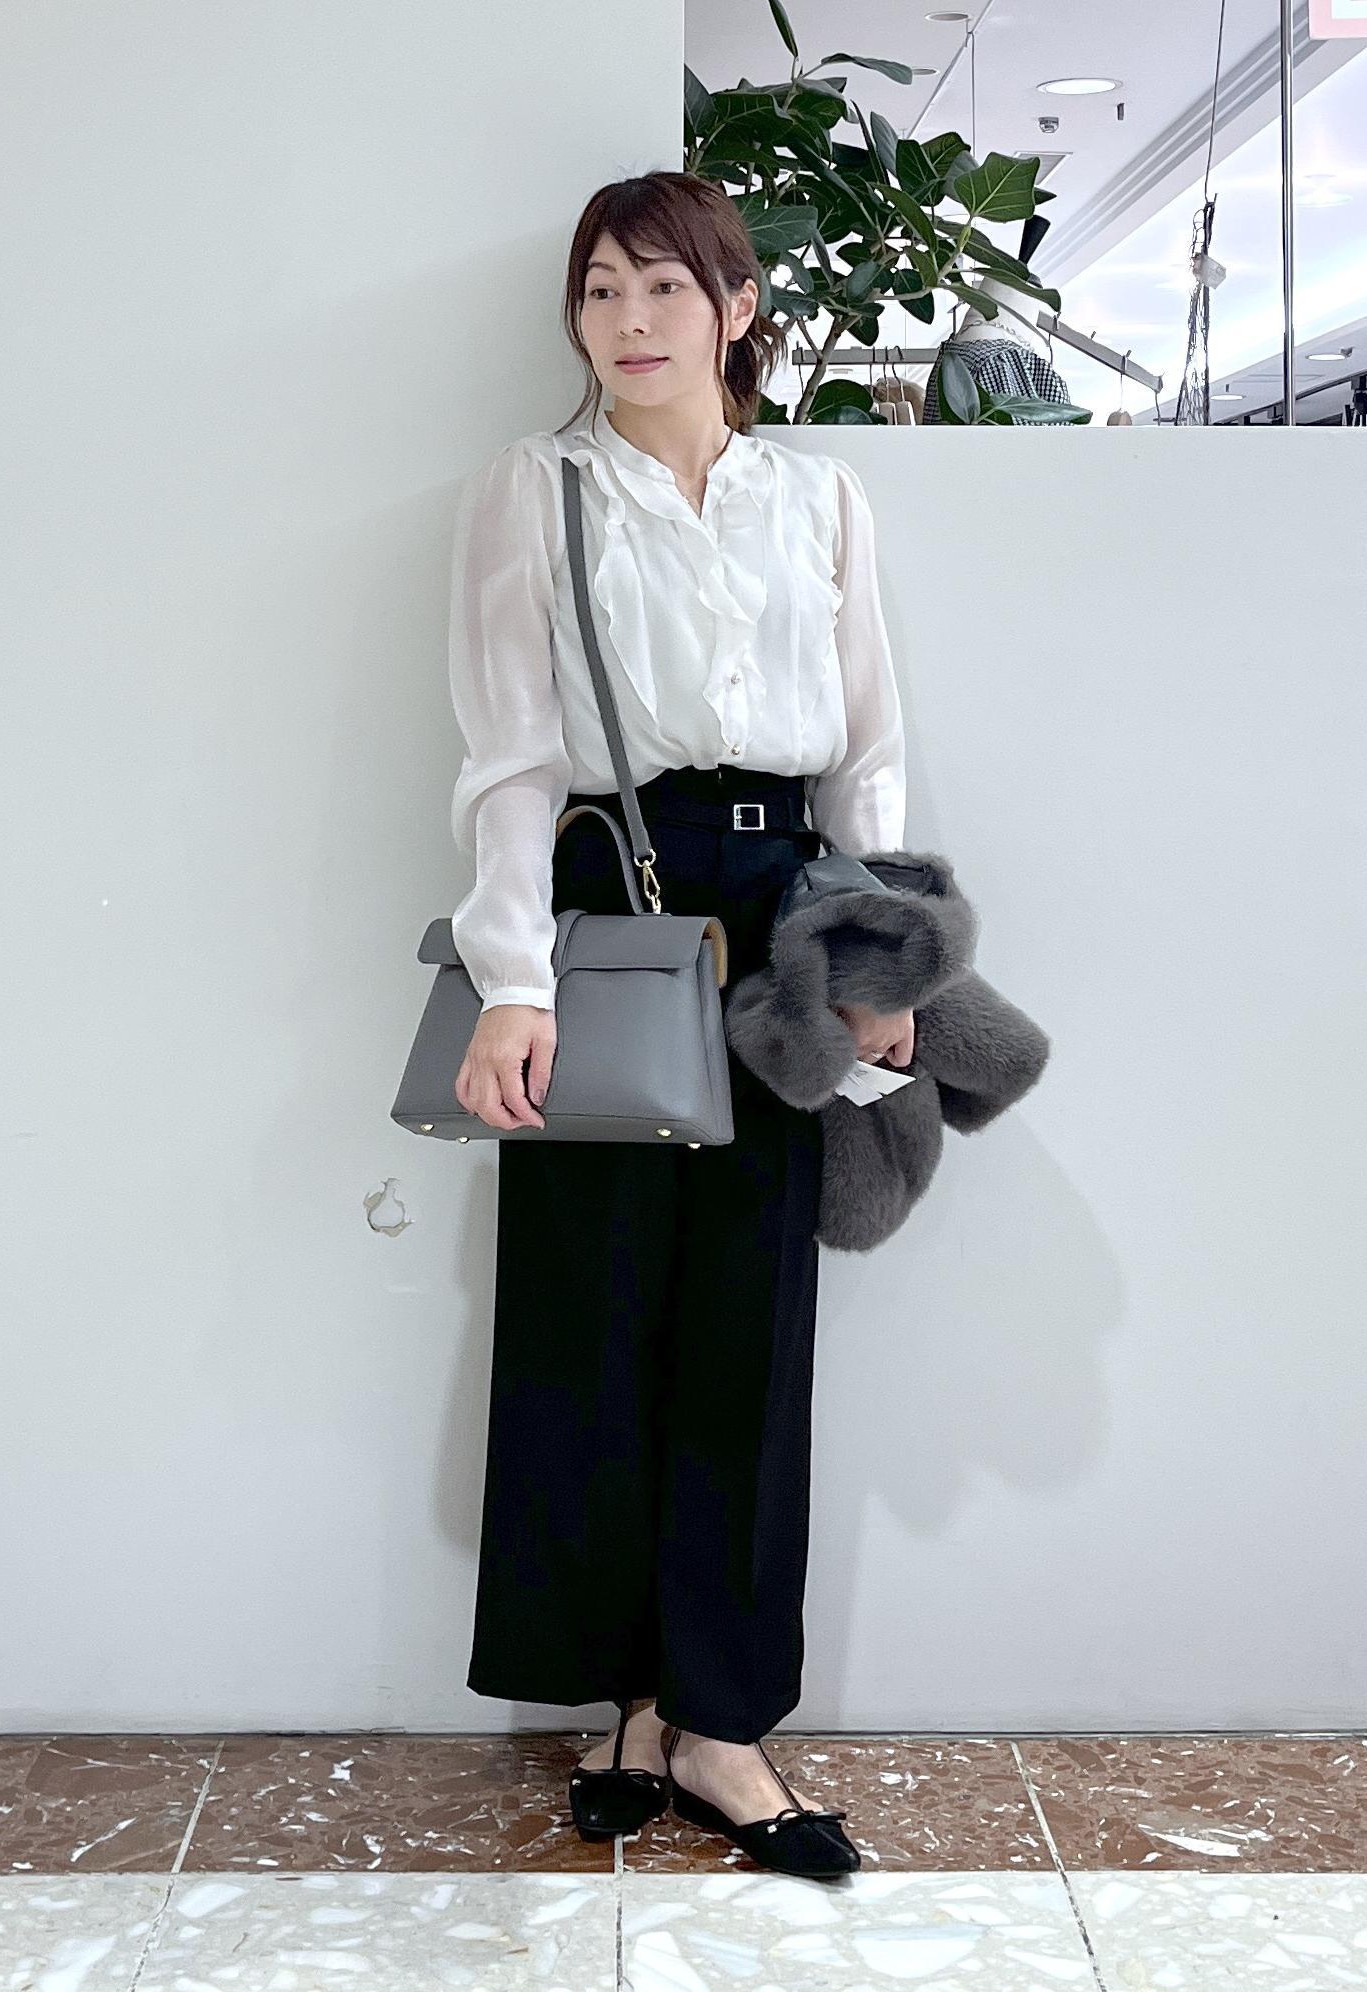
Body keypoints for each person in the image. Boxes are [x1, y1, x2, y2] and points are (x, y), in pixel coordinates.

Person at [443, 169, 911, 1876]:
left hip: (780, 915)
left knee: (748, 1330)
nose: (627, 322)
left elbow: (868, 745)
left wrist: (874, 960)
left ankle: (720, 1726)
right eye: (598, 290)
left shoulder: (819, 496)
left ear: (737, 307)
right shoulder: (537, 488)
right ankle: (624, 1702)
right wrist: (510, 980)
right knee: (589, 1320)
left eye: (661, 287)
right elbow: (507, 753)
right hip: (607, 907)